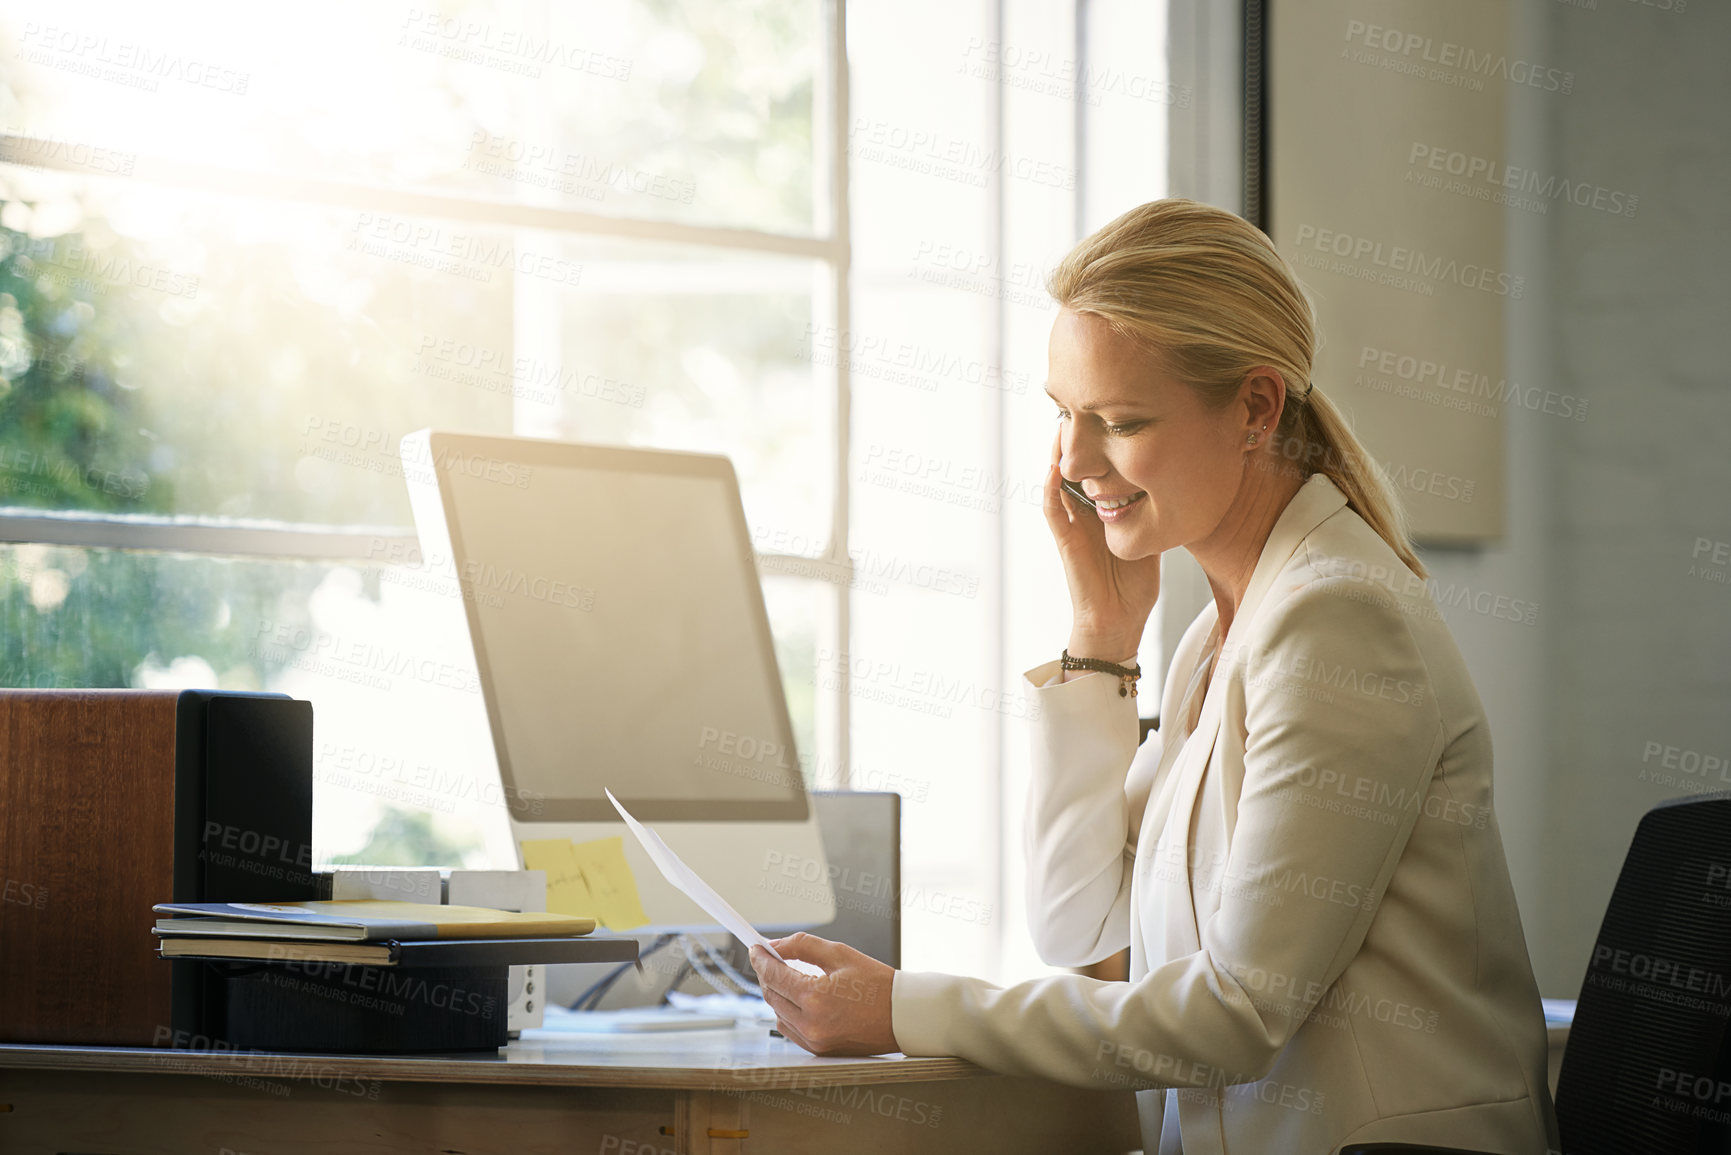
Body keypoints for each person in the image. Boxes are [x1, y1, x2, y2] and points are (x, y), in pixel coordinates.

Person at [748, 198, 1559, 1154]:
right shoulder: (1215, 638)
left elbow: (1234, 1014)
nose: (1075, 462)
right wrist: (1101, 636)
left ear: (1255, 407)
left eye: (1120, 421)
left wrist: (900, 1009)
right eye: (1062, 414)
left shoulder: (1337, 618)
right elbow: (1077, 924)